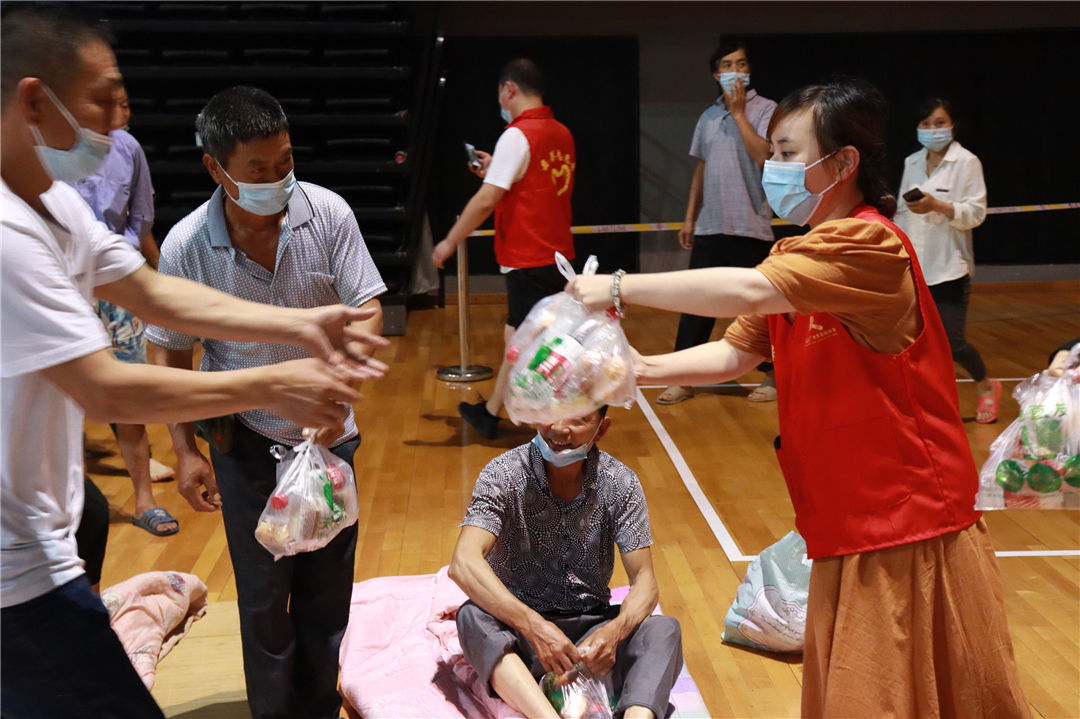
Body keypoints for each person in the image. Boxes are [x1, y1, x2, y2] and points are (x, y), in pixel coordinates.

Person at [566, 78, 1030, 718]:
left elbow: (751, 292)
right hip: (843, 517)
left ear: (843, 162)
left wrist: (618, 286)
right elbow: (737, 352)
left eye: (787, 153)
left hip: (907, 521)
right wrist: (639, 368)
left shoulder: (871, 246)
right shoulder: (800, 252)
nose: (772, 167)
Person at [0, 9, 386, 718]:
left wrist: (302, 322)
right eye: (105, 95)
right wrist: (273, 382)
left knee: (327, 596)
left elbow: (151, 291)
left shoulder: (52, 203)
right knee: (261, 606)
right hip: (18, 564)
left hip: (52, 523)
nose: (122, 115)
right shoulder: (9, 233)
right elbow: (103, 384)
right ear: (33, 100)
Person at [145, 85, 386, 719]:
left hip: (331, 442)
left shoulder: (328, 214)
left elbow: (367, 309)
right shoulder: (186, 246)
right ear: (215, 167)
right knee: (262, 600)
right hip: (245, 445)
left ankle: (317, 709)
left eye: (285, 163)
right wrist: (183, 451)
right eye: (258, 171)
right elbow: (166, 351)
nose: (277, 180)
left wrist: (342, 379)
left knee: (326, 595)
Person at [449, 407, 683, 719]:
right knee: (471, 616)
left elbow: (644, 580)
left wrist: (614, 633)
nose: (560, 429)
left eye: (579, 419)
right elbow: (463, 562)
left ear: (601, 428)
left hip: (591, 636)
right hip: (521, 638)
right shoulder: (502, 474)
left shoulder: (621, 483)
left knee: (664, 629)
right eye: (551, 413)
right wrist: (534, 627)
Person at [432, 58, 575, 439]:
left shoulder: (517, 135)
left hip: (530, 255)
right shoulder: (561, 132)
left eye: (500, 93)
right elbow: (537, 181)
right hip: (556, 253)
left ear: (509, 90)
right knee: (519, 337)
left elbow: (485, 200)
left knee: (527, 343)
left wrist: (450, 240)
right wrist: (498, 166)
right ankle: (492, 412)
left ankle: (557, 421)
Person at [71, 79, 179, 536]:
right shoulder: (45, 156)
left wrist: (149, 275)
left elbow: (141, 220)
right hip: (66, 284)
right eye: (106, 100)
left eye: (123, 100)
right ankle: (74, 505)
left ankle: (143, 501)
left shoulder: (129, 148)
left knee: (131, 392)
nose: (119, 109)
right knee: (64, 400)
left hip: (118, 283)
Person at [662, 39, 777, 405]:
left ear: (749, 70)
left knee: (764, 308)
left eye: (741, 64)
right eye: (727, 65)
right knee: (697, 303)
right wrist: (689, 218)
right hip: (711, 225)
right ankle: (684, 378)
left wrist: (740, 113)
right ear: (716, 73)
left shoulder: (767, 110)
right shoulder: (708, 117)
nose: (735, 72)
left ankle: (774, 376)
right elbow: (701, 168)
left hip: (752, 225)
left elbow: (765, 155)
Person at [894, 97, 999, 422]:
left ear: (952, 125)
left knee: (952, 344)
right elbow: (900, 210)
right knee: (917, 344)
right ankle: (927, 402)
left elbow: (976, 213)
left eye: (939, 123)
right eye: (926, 124)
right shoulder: (912, 161)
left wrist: (938, 206)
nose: (932, 130)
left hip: (949, 266)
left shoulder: (967, 162)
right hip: (914, 269)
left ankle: (986, 386)